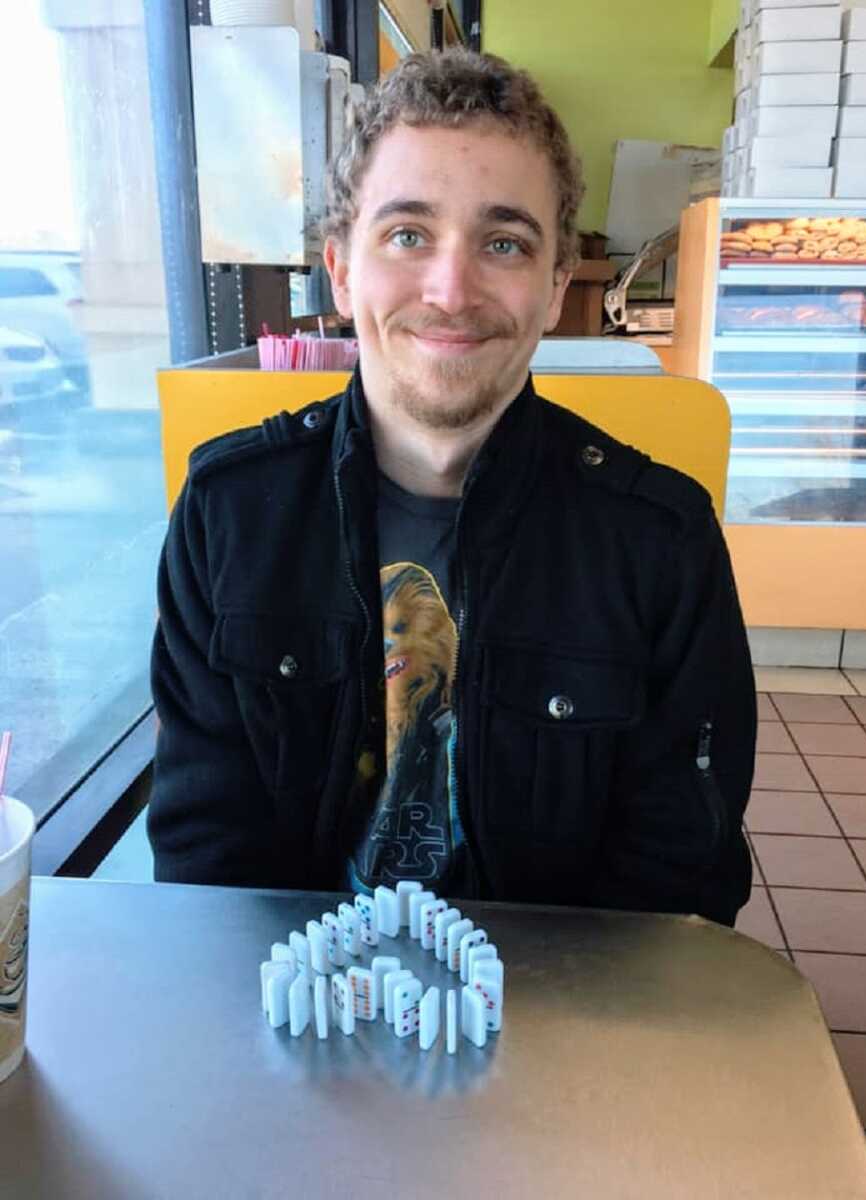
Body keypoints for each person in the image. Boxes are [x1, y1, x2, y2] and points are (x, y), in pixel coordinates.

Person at [148, 48, 756, 925]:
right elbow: (207, 859)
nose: (451, 289)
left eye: (503, 242)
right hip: (299, 1014)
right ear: (343, 270)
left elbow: (678, 886)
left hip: (561, 1021)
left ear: (554, 289)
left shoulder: (660, 541)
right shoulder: (228, 512)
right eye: (407, 234)